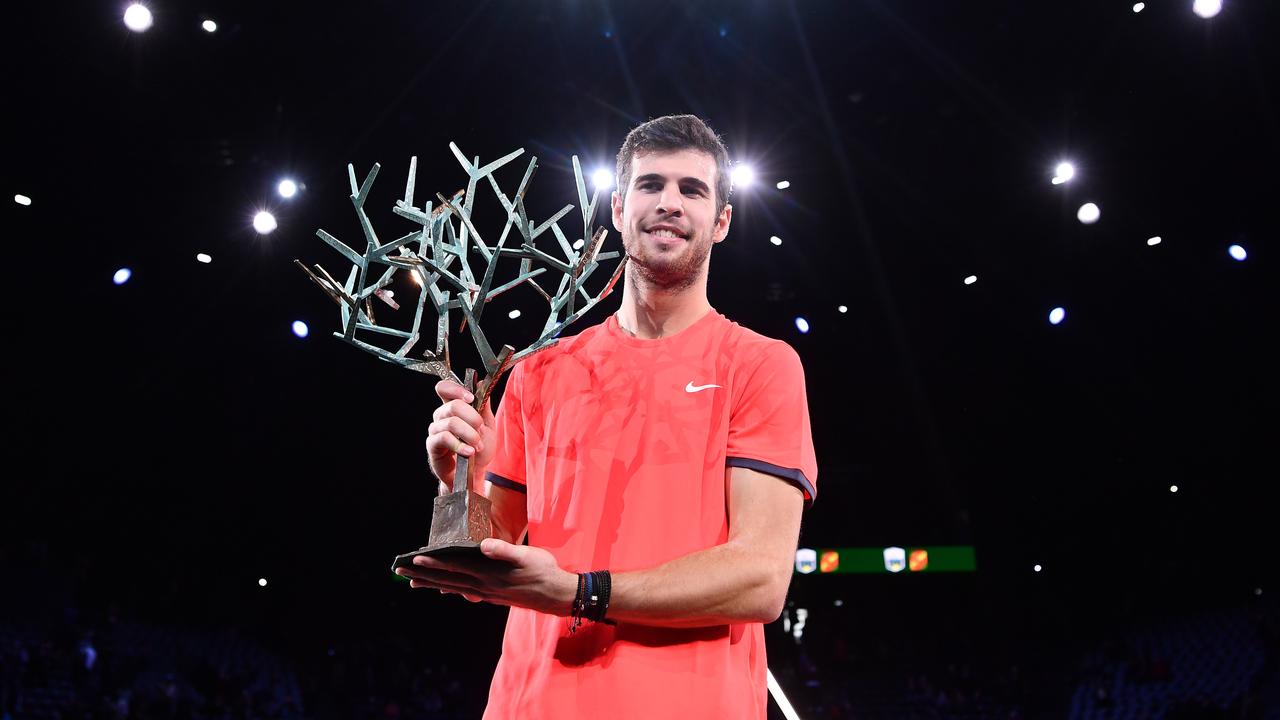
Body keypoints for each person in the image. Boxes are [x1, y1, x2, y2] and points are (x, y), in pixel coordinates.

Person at [397, 114, 818, 719]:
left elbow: (759, 580)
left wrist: (580, 594)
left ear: (721, 221)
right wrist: (457, 479)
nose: (669, 203)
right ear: (619, 210)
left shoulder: (760, 365)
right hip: (531, 703)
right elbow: (490, 557)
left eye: (692, 190)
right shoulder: (540, 370)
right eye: (650, 185)